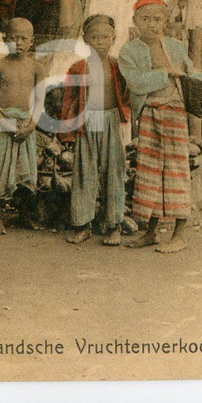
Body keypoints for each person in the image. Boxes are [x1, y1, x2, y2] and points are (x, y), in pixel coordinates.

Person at [119, 0, 202, 253]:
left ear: (165, 21)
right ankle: (152, 232)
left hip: (175, 114)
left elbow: (194, 74)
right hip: (149, 117)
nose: (151, 25)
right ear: (135, 22)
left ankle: (179, 234)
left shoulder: (175, 48)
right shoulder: (128, 52)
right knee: (150, 172)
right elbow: (136, 83)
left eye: (157, 19)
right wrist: (165, 73)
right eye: (145, 19)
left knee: (176, 170)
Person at [59, 15, 130, 246]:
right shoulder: (78, 68)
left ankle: (114, 225)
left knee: (113, 172)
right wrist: (68, 131)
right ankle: (82, 225)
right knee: (85, 171)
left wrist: (127, 117)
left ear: (114, 39)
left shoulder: (118, 66)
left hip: (110, 120)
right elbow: (69, 101)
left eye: (105, 37)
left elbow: (128, 94)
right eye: (95, 37)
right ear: (85, 39)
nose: (100, 41)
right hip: (88, 121)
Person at [0, 17, 46, 235]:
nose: (18, 43)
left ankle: (24, 215)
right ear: (4, 39)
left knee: (26, 171)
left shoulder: (37, 68)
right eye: (13, 38)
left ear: (32, 41)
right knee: (0, 170)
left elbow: (39, 102)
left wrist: (31, 126)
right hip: (4, 125)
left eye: (23, 38)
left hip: (26, 125)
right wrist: (4, 122)